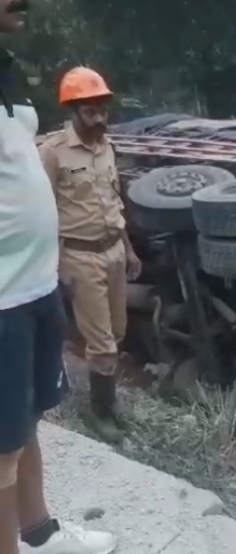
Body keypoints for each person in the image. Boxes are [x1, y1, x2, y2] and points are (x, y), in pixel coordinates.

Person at [0, 1, 117, 553]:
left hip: (34, 284)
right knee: (0, 445)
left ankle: (39, 533)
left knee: (26, 424)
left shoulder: (6, 64)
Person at [39, 66, 141, 444]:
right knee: (103, 344)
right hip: (80, 257)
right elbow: (40, 211)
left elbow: (114, 204)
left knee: (117, 332)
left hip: (113, 250)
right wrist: (53, 265)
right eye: (92, 111)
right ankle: (100, 413)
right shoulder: (52, 153)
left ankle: (105, 400)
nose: (100, 117)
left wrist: (129, 251)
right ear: (74, 110)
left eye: (103, 109)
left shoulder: (107, 148)